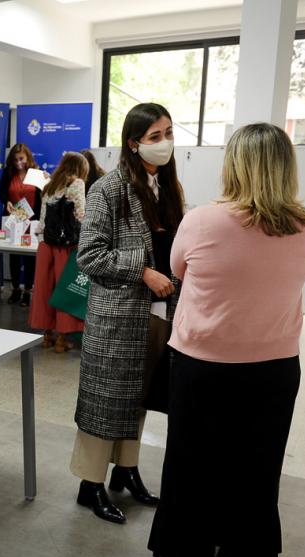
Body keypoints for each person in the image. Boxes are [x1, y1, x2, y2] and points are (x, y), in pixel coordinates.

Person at [148, 123, 305, 557]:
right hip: (276, 365)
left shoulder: (203, 219)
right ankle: (244, 552)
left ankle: (187, 552)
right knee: (258, 462)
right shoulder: (304, 223)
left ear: (233, 164)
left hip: (203, 362)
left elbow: (176, 267)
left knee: (192, 459)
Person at [70, 103, 184, 524]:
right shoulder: (109, 189)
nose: (165, 143)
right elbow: (90, 255)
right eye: (155, 136)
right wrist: (143, 270)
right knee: (105, 400)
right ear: (133, 143)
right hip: (119, 315)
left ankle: (127, 471)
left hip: (160, 313)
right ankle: (90, 484)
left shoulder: (168, 187)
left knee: (140, 397)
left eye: (169, 132)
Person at [29, 152, 88, 352]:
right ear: (80, 168)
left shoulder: (49, 186)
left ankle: (47, 335)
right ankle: (62, 339)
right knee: (65, 290)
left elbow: (42, 219)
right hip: (66, 245)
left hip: (45, 244)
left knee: (45, 289)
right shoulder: (78, 183)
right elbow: (81, 214)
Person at [0, 143, 41, 306]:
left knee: (30, 258)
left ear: (28, 157)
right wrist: (7, 202)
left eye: (21, 158)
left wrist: (47, 179)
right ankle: (16, 289)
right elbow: (1, 194)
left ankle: (28, 292)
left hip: (31, 221)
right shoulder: (8, 173)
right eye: (15, 159)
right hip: (13, 220)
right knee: (14, 256)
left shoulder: (36, 173)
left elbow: (43, 197)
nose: (18, 163)